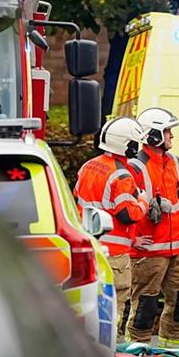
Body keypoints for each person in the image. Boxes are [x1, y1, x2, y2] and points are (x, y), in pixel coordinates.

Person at [73, 116, 148, 342]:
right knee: (115, 304)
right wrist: (143, 201)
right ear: (128, 144)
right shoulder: (122, 175)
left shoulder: (89, 166)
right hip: (114, 254)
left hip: (89, 245)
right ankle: (111, 348)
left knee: (91, 304)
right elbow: (127, 214)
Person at [126, 107, 179, 348]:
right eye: (168, 131)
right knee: (145, 308)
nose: (172, 136)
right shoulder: (136, 167)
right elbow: (123, 208)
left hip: (176, 250)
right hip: (148, 252)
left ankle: (173, 354)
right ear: (153, 135)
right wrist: (133, 240)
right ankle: (136, 356)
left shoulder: (174, 162)